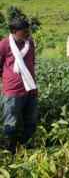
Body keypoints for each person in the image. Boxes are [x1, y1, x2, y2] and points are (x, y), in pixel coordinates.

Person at [0, 18, 38, 153]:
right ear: (14, 32)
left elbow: (32, 63)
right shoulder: (4, 45)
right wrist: (9, 80)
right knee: (11, 124)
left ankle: (25, 149)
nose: (28, 33)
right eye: (25, 31)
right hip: (12, 92)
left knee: (31, 123)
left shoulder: (30, 43)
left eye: (28, 30)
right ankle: (9, 151)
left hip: (30, 90)